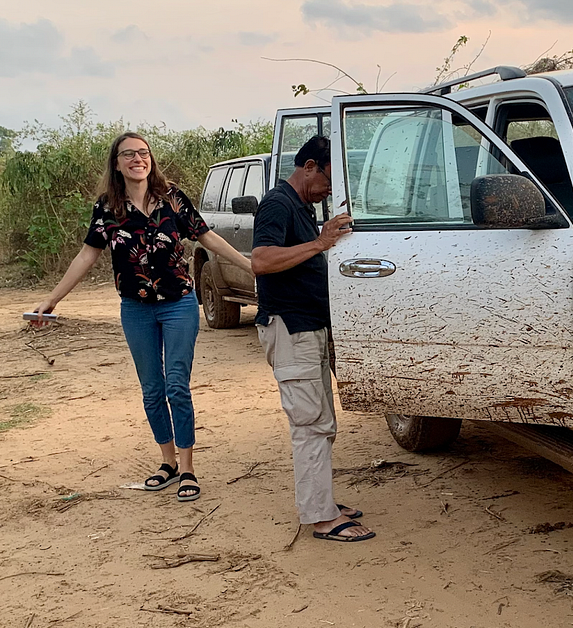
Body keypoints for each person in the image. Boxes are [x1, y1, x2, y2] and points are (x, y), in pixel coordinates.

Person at [33, 132, 252, 502]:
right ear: (116, 163)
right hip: (135, 309)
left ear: (151, 159)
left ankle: (187, 468)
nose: (138, 159)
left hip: (179, 303)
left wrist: (250, 267)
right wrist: (52, 299)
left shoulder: (172, 198)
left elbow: (207, 237)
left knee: (176, 385)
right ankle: (167, 462)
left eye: (143, 152)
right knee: (152, 389)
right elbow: (87, 256)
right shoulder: (107, 208)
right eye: (128, 154)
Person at [250, 135, 374, 542]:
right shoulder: (277, 203)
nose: (330, 189)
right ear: (308, 167)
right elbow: (261, 260)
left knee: (322, 420)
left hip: (308, 328)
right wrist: (320, 243)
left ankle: (322, 500)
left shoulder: (301, 207)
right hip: (291, 328)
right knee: (309, 423)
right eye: (328, 178)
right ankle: (320, 518)